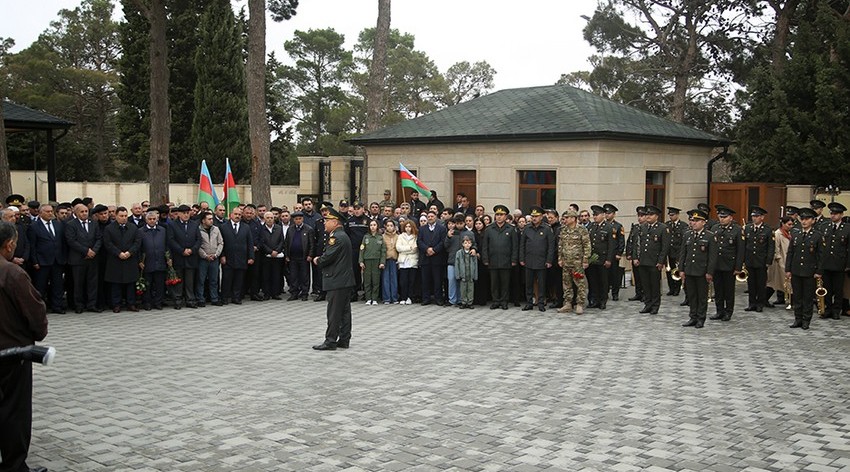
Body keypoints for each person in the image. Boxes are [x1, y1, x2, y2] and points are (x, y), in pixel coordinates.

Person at [0, 220, 49, 472]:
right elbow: (35, 313)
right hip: (11, 355)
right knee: (14, 411)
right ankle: (14, 466)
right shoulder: (12, 273)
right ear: (8, 245)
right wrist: (38, 333)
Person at [312, 208, 355, 350]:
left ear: (335, 222)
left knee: (334, 313)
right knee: (344, 312)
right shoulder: (342, 235)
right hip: (344, 280)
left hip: (337, 280)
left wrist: (318, 260)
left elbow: (328, 257)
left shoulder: (335, 238)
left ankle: (330, 341)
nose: (324, 223)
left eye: (327, 221)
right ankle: (344, 339)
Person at [678, 209, 717, 328]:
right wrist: (681, 269)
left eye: (697, 221)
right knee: (692, 295)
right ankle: (692, 316)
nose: (693, 223)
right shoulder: (687, 235)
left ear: (704, 222)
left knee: (702, 296)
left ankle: (701, 318)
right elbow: (683, 253)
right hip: (689, 270)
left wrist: (709, 272)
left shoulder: (710, 236)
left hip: (702, 271)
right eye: (692, 220)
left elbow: (712, 257)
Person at [786, 207, 823, 330]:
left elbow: (821, 256)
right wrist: (788, 269)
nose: (804, 221)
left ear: (813, 220)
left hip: (809, 271)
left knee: (807, 297)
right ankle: (798, 319)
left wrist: (819, 271)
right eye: (802, 219)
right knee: (797, 296)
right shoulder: (795, 234)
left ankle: (806, 320)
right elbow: (790, 252)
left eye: (807, 219)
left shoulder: (817, 235)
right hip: (796, 270)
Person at [28, 204, 67, 314]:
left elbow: (62, 242)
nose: (50, 213)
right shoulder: (34, 226)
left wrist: (63, 258)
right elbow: (32, 246)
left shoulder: (58, 225)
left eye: (51, 211)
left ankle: (57, 306)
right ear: (40, 213)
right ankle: (40, 307)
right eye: (47, 211)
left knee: (57, 284)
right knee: (41, 285)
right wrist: (35, 261)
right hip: (42, 261)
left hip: (57, 260)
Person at [64, 203, 102, 313]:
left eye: (86, 211)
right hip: (78, 259)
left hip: (93, 258)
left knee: (92, 282)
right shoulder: (71, 224)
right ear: (76, 213)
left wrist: (94, 251)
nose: (85, 213)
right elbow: (71, 241)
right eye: (82, 211)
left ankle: (92, 304)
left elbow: (99, 238)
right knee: (78, 283)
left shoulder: (94, 223)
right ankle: (79, 305)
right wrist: (86, 251)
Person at [102, 207, 141, 312]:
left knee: (130, 283)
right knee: (116, 283)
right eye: (121, 216)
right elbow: (108, 243)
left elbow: (137, 242)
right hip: (115, 259)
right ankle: (116, 304)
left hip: (130, 258)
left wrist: (129, 252)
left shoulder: (133, 228)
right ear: (116, 216)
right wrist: (118, 253)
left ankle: (131, 303)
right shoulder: (109, 228)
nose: (124, 218)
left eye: (125, 216)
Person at [709, 205, 744, 321]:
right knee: (718, 290)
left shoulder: (737, 230)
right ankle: (719, 311)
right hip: (717, 264)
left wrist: (738, 267)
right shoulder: (715, 228)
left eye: (724, 217)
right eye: (720, 217)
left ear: (730, 218)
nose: (722, 219)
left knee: (728, 290)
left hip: (730, 265)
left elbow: (740, 250)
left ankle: (728, 311)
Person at [519, 206, 555, 312]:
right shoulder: (527, 228)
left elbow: (551, 246)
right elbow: (522, 244)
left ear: (541, 217)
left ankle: (541, 303)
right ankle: (529, 302)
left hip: (542, 261)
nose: (534, 218)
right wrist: (521, 258)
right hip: (529, 260)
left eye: (536, 216)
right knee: (529, 283)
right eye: (533, 216)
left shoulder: (547, 228)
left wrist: (549, 260)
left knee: (541, 283)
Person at [636, 205, 669, 315]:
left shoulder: (662, 228)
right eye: (647, 214)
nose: (648, 216)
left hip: (654, 262)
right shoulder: (643, 227)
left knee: (654, 285)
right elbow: (639, 244)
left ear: (657, 216)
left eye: (651, 215)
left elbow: (665, 247)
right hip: (643, 260)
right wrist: (636, 257)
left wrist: (661, 261)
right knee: (645, 285)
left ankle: (655, 305)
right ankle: (647, 304)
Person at [819, 202, 850, 320]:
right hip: (826, 263)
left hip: (839, 264)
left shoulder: (847, 228)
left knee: (838, 289)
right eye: (831, 213)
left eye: (836, 214)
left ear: (841, 215)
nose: (833, 216)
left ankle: (837, 309)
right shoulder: (825, 227)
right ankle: (828, 308)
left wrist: (848, 264)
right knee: (826, 288)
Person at [167, 205, 201, 309]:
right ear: (179, 214)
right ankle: (177, 300)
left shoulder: (194, 225)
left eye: (187, 213)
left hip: (191, 256)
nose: (186, 215)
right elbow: (171, 240)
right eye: (184, 213)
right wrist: (182, 250)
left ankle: (190, 300)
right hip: (179, 256)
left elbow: (198, 240)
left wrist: (192, 250)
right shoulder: (172, 225)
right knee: (179, 279)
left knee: (190, 280)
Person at [557, 210, 590, 314]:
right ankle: (567, 303)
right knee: (566, 283)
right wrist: (560, 258)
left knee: (580, 283)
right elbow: (560, 245)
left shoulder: (581, 230)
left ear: (573, 218)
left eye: (567, 218)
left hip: (577, 262)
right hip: (566, 262)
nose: (565, 220)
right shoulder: (563, 230)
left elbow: (587, 245)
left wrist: (585, 260)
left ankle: (580, 304)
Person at [219, 207, 255, 305]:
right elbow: (220, 243)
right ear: (231, 215)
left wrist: (251, 257)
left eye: (239, 214)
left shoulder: (246, 227)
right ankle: (225, 297)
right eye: (235, 214)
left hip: (242, 258)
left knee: (239, 279)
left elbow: (250, 243)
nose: (237, 216)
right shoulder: (223, 227)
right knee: (227, 279)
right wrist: (222, 255)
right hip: (228, 258)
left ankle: (236, 297)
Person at [743, 206, 775, 313]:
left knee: (761, 284)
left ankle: (760, 303)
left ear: (762, 217)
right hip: (750, 260)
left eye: (756, 216)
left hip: (761, 260)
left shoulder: (767, 230)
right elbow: (745, 244)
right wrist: (743, 259)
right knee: (751, 283)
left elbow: (771, 246)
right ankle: (752, 303)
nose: (754, 218)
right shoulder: (747, 228)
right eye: (753, 216)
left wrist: (768, 260)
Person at [587, 205, 616, 310]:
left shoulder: (609, 227)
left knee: (603, 281)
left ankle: (603, 300)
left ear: (603, 215)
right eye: (594, 215)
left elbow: (611, 246)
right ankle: (595, 300)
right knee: (593, 281)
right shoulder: (591, 227)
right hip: (592, 259)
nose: (595, 217)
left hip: (603, 259)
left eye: (597, 215)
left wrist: (609, 259)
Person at [139, 211, 168, 310]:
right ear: (146, 220)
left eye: (154, 219)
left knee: (159, 284)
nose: (152, 221)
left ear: (157, 219)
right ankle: (147, 302)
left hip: (160, 260)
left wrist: (169, 257)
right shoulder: (140, 231)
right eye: (150, 219)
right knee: (148, 284)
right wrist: (140, 260)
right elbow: (138, 247)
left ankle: (158, 302)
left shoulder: (162, 230)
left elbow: (167, 245)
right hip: (147, 262)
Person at [285, 211, 315, 301]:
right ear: (294, 220)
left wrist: (310, 255)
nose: (298, 221)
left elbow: (312, 244)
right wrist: (287, 255)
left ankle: (304, 293)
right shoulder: (290, 229)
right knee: (293, 275)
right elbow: (286, 243)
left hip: (304, 256)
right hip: (293, 257)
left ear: (302, 219)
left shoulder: (308, 229)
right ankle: (294, 292)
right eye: (296, 219)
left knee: (304, 275)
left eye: (300, 219)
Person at [196, 211, 223, 307]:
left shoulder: (216, 229)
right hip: (203, 259)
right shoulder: (198, 230)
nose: (212, 221)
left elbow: (220, 243)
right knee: (201, 280)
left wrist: (216, 254)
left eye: (212, 219)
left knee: (214, 280)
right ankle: (200, 298)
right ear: (203, 220)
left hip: (214, 258)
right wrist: (205, 255)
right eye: (209, 219)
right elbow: (197, 245)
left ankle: (214, 298)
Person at [767, 216, 794, 308]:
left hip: (786, 259)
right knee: (776, 283)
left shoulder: (788, 233)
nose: (791, 226)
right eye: (789, 224)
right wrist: (779, 259)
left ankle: (791, 300)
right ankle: (764, 299)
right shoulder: (778, 233)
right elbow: (776, 248)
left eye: (792, 224)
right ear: (783, 224)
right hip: (779, 262)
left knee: (781, 283)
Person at [259, 211, 285, 301]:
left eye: (271, 218)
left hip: (277, 256)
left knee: (276, 275)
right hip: (266, 256)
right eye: (268, 218)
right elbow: (262, 243)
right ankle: (267, 293)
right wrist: (270, 251)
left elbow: (282, 241)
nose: (270, 219)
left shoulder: (278, 228)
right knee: (266, 275)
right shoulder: (261, 229)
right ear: (264, 219)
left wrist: (277, 251)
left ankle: (275, 293)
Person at [359, 219, 385, 305]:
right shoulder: (366, 237)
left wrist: (382, 262)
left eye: (374, 225)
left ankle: (374, 298)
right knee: (367, 280)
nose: (372, 227)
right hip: (367, 261)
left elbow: (383, 251)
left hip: (376, 261)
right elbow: (362, 249)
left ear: (377, 226)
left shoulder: (380, 237)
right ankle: (368, 298)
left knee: (375, 280)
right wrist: (361, 261)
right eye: (371, 225)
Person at [603, 204, 625, 301]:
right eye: (606, 213)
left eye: (609, 213)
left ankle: (615, 293)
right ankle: (605, 292)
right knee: (605, 275)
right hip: (605, 254)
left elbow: (621, 240)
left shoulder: (618, 226)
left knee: (614, 274)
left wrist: (619, 253)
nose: (607, 215)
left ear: (614, 214)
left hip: (614, 254)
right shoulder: (603, 225)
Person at [665, 207, 687, 297]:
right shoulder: (667, 225)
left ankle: (677, 288)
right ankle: (671, 288)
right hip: (669, 252)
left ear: (677, 215)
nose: (671, 217)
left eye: (673, 215)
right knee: (669, 270)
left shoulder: (683, 225)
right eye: (670, 215)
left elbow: (683, 240)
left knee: (677, 270)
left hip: (678, 252)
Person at [396, 220, 419, 305]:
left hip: (412, 261)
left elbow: (415, 249)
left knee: (411, 280)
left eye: (409, 226)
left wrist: (406, 249)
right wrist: (409, 248)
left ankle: (410, 297)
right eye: (406, 226)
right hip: (403, 261)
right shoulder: (401, 236)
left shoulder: (416, 236)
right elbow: (398, 248)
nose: (408, 228)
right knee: (403, 281)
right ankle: (403, 297)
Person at [455, 235, 478, 309]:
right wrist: (458, 275)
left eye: (469, 243)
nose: (467, 245)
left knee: (471, 289)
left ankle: (470, 302)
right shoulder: (459, 253)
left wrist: (475, 275)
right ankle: (464, 302)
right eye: (465, 243)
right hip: (463, 274)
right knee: (463, 289)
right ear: (462, 244)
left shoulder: (473, 253)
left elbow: (475, 264)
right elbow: (457, 264)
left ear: (471, 244)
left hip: (471, 274)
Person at [381, 219, 400, 304]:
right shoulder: (382, 236)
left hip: (394, 259)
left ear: (394, 227)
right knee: (386, 279)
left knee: (394, 279)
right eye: (388, 225)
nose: (389, 227)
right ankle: (386, 298)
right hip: (386, 259)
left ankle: (394, 297)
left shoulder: (398, 236)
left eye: (391, 225)